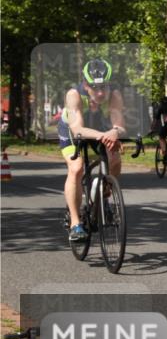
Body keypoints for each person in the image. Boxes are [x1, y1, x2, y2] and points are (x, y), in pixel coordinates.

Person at [58, 59, 126, 241]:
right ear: (86, 85)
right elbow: (78, 129)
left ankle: (102, 198)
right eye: (96, 88)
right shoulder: (74, 95)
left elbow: (119, 125)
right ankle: (75, 224)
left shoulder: (114, 95)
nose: (101, 92)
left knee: (115, 159)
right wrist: (106, 135)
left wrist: (115, 132)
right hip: (73, 131)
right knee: (77, 167)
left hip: (98, 127)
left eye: (104, 86)